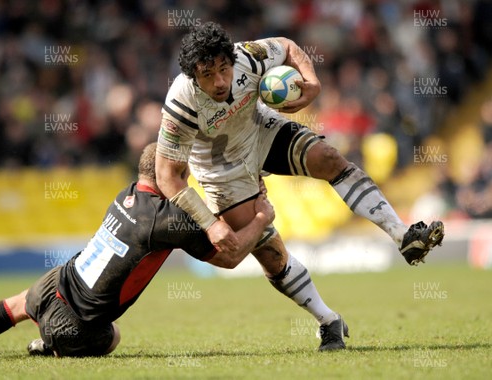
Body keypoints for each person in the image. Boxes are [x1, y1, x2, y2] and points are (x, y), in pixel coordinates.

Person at [155, 22, 445, 350]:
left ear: (231, 59)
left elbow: (288, 47)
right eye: (208, 74)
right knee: (269, 254)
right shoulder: (181, 103)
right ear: (194, 76)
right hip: (222, 170)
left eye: (224, 68)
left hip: (260, 131)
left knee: (329, 158)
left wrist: (312, 84)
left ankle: (402, 235)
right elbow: (167, 175)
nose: (220, 81)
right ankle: (328, 320)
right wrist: (209, 224)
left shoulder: (248, 56)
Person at [0, 143, 275, 359]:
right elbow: (229, 257)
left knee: (13, 306)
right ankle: (53, 345)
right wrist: (261, 217)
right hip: (77, 325)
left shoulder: (126, 193)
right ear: (173, 174)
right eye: (184, 174)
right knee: (113, 336)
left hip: (56, 283)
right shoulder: (166, 220)